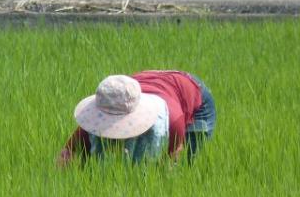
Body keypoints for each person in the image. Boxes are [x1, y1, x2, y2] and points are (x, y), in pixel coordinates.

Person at [56, 71, 216, 168]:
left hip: (194, 96)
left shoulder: (171, 121)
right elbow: (68, 154)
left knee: (189, 164)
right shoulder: (96, 115)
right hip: (148, 81)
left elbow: (170, 164)